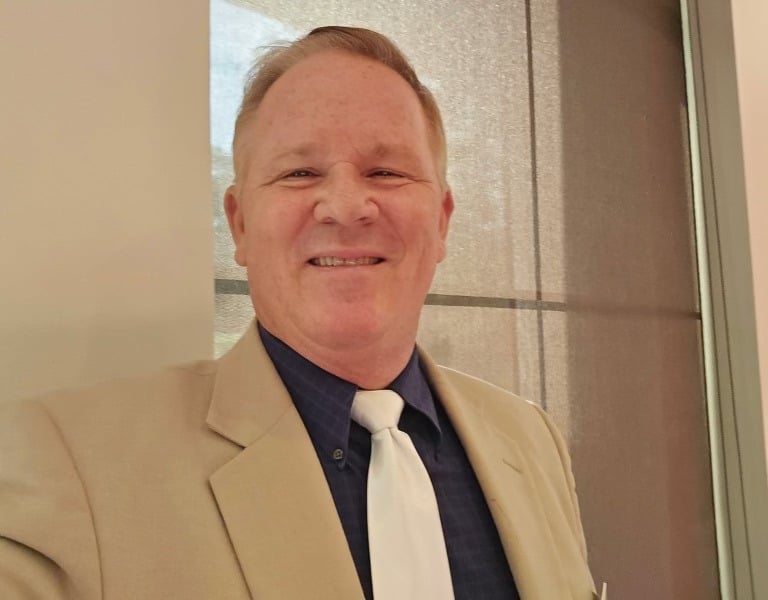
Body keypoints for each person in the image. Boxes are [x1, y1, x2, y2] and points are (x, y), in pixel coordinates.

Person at [0, 26, 599, 599]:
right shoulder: (66, 461)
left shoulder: (532, 440)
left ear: (441, 222)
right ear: (239, 224)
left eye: (386, 171)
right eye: (299, 173)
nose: (344, 205)